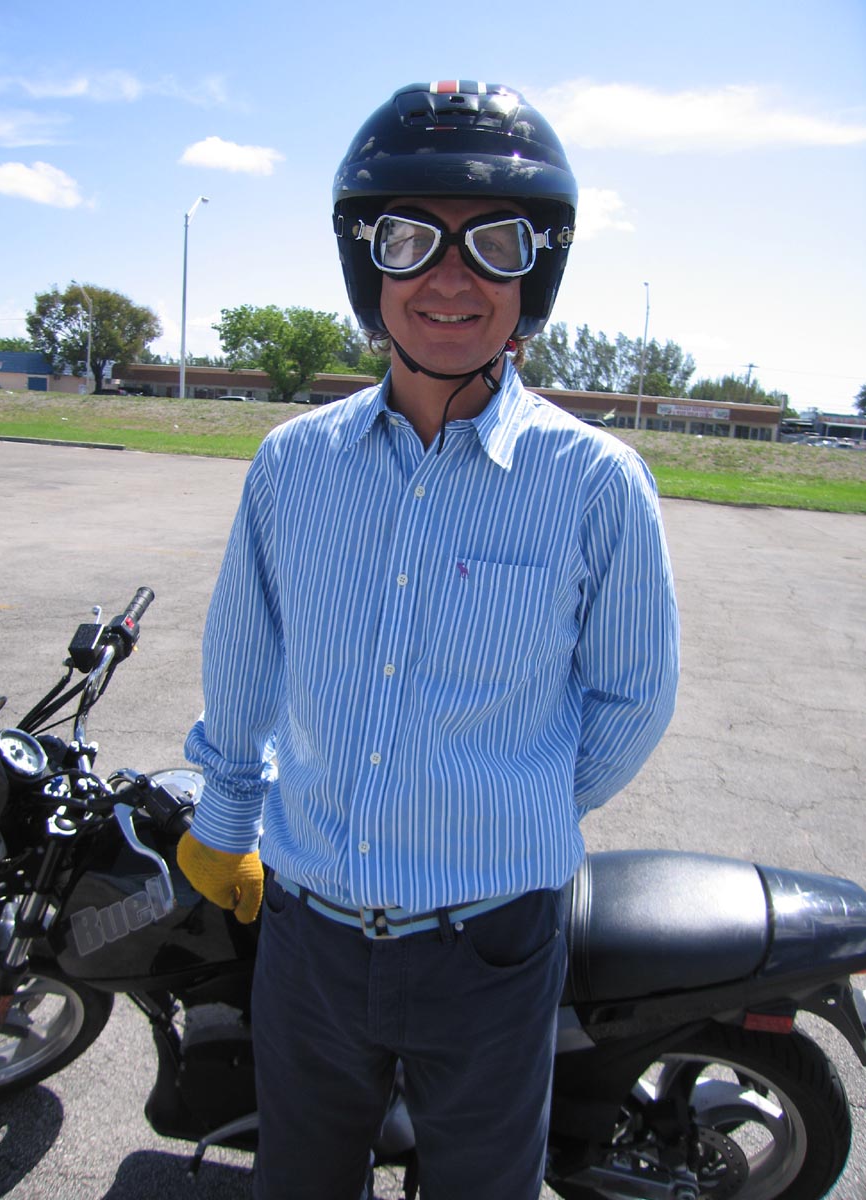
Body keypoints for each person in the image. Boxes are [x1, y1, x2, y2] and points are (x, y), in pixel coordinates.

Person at [177, 80, 680, 1200]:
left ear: (536, 270)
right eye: (410, 240)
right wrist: (228, 813)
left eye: (494, 243)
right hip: (307, 939)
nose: (450, 278)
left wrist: (510, 802)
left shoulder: (597, 483)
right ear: (370, 265)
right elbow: (245, 658)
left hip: (490, 948)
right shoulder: (291, 466)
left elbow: (633, 699)